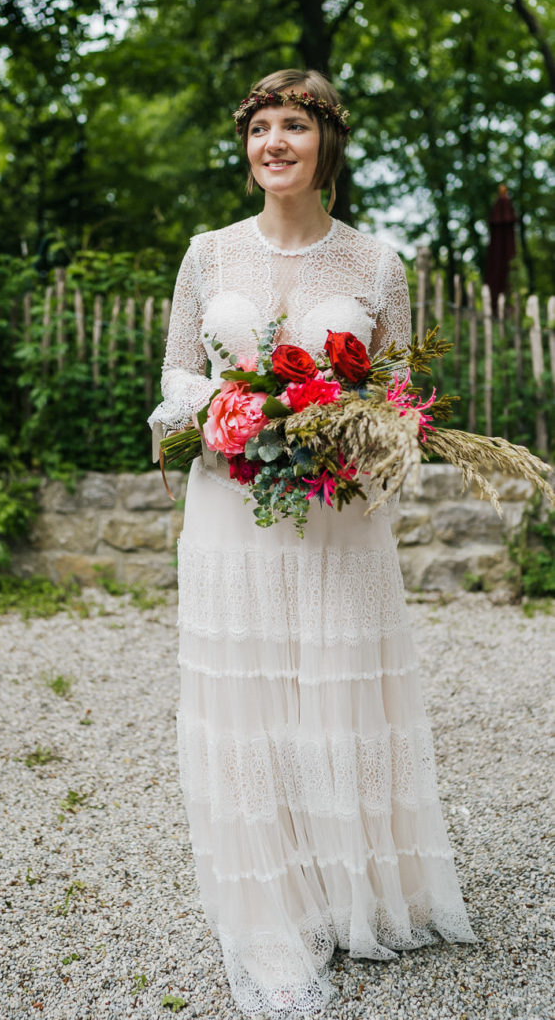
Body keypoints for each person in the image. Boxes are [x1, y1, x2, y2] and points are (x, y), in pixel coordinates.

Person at [148, 68, 476, 1018]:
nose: (273, 143)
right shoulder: (207, 255)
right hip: (232, 507)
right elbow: (174, 376)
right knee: (251, 698)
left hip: (338, 514)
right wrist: (229, 411)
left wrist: (346, 429)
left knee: (333, 696)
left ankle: (349, 888)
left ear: (327, 143)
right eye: (258, 128)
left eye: (293, 126)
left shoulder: (377, 265)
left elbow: (402, 402)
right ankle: (274, 906)